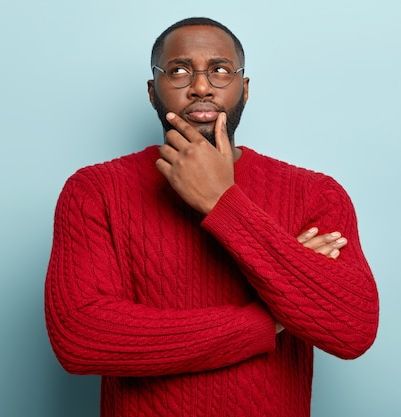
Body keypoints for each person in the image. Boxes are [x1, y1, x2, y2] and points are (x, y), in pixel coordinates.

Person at [44, 17, 379, 417]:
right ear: (153, 92)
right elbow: (81, 338)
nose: (201, 87)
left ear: (245, 89)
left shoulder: (315, 194)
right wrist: (266, 319)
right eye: (180, 71)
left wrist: (222, 201)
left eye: (220, 70)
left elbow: (352, 330)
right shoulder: (94, 190)